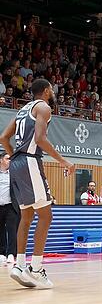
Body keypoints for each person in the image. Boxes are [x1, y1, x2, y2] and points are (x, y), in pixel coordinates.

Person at [0, 78, 75, 288]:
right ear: (45, 90)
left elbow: (4, 137)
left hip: (17, 163)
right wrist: (63, 161)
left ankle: (19, 265)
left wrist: (14, 157)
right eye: (51, 88)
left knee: (27, 215)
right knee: (46, 215)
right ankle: (36, 268)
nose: (52, 91)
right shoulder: (43, 107)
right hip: (30, 161)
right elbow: (41, 139)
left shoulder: (23, 110)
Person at [0, 152, 20, 265]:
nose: (10, 161)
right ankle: (1, 253)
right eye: (7, 159)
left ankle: (11, 254)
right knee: (0, 230)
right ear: (1, 160)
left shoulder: (14, 174)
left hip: (10, 206)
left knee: (12, 230)